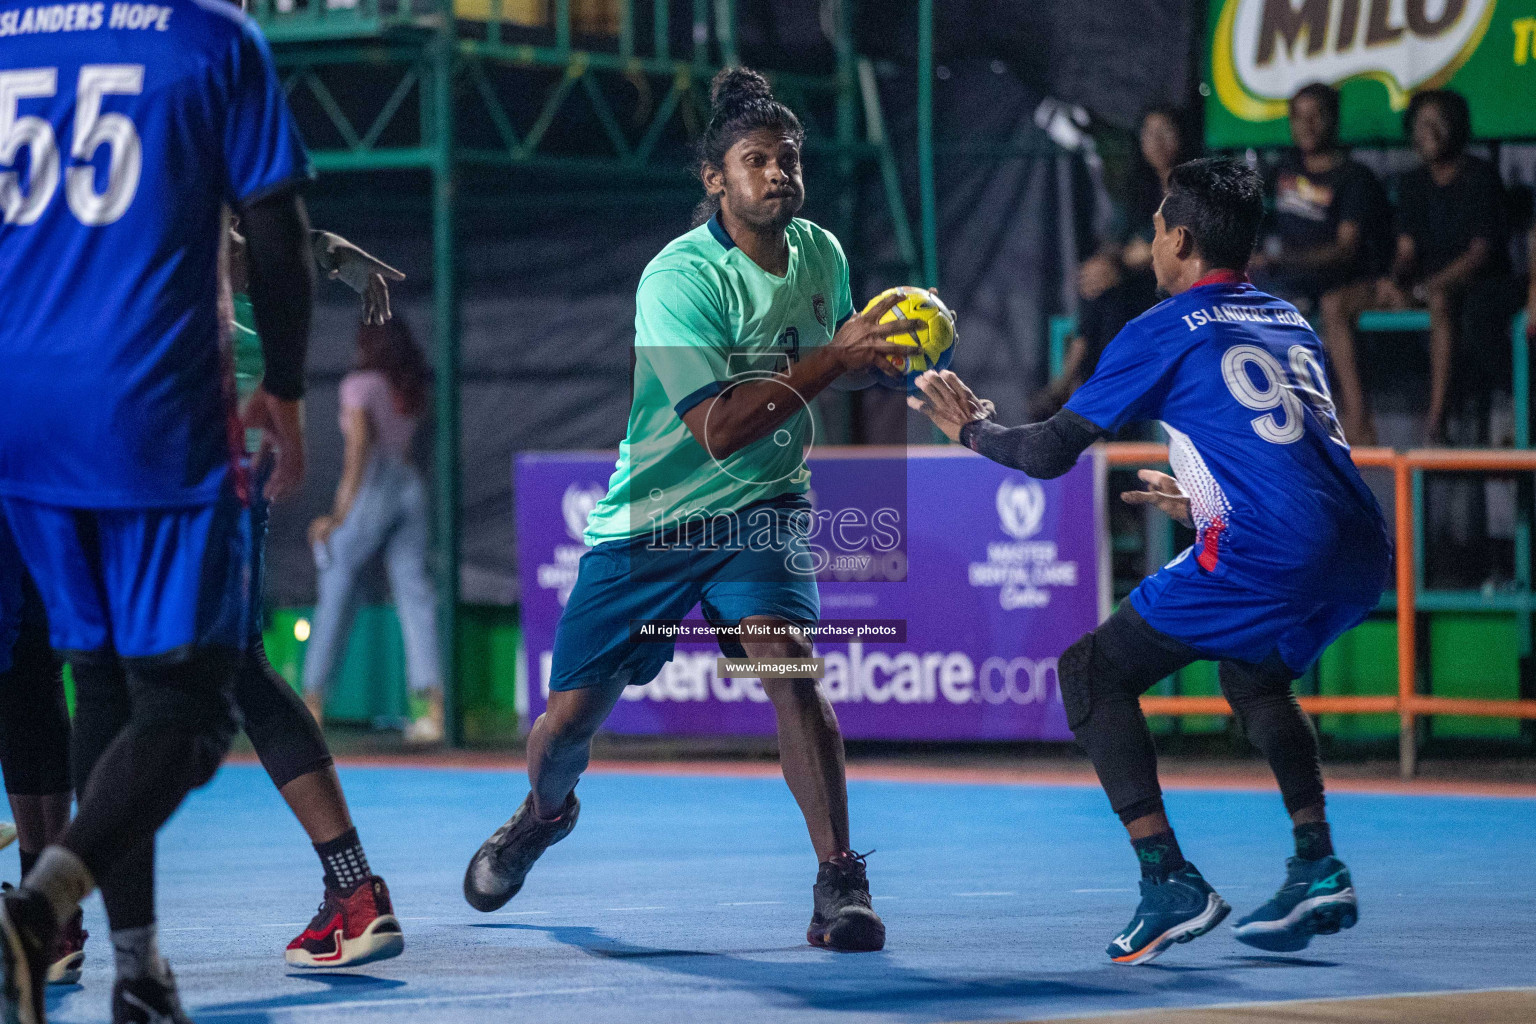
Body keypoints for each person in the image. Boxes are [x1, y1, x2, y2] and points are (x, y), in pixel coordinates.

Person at [462, 67, 912, 952]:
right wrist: (834, 360)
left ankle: (838, 882)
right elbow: (719, 428)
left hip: (763, 506)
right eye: (757, 160)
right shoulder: (676, 278)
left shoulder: (821, 253)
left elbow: (832, 355)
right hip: (656, 517)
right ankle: (544, 815)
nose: (779, 173)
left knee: (792, 671)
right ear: (716, 179)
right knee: (568, 723)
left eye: (790, 159)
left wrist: (889, 359)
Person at [909, 158, 1391, 965]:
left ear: (1183, 240)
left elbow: (1051, 454)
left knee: (1090, 674)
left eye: (1158, 229)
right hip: (1361, 541)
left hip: (1271, 545)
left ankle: (1168, 879)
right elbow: (1291, 448)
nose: (1152, 242)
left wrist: (974, 432)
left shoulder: (1161, 327)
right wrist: (1208, 498)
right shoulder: (1286, 317)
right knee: (1252, 673)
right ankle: (1316, 862)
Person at [0, 2, 313, 1021]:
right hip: (148, 409)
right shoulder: (209, 38)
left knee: (96, 681)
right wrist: (291, 389)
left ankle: (139, 970)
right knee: (187, 708)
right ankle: (41, 902)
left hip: (19, 408)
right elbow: (276, 226)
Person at [226, 226, 407, 967]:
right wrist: (331, 253)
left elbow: (245, 238)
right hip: (209, 465)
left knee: (94, 675)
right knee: (234, 670)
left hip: (149, 460)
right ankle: (354, 891)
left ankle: (52, 908)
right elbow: (256, 237)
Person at [302, 316, 443, 744]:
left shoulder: (359, 385)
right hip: (410, 485)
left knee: (335, 578)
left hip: (376, 485)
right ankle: (433, 713)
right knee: (414, 595)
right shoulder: (406, 388)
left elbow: (359, 451)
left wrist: (337, 516)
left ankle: (311, 705)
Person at [1250, 83, 1392, 446]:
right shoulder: (1282, 169)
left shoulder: (1355, 177)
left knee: (1329, 306)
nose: (1308, 125)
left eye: (1317, 116)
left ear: (1334, 120)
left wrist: (1281, 260)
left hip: (1350, 282)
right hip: (1291, 285)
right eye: (1299, 117)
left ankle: (1358, 420)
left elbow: (1346, 249)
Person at [1037, 108, 1195, 420]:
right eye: (1148, 134)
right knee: (1102, 291)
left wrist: (1121, 264)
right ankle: (1093, 399)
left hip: (1179, 288)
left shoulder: (1195, 190)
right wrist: (1106, 263)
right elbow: (1117, 241)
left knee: (1112, 293)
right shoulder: (1140, 191)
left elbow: (1174, 248)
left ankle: (1074, 388)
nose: (1156, 141)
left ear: (1182, 136)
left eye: (1166, 131)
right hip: (1139, 286)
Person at [1377, 90, 1511, 444]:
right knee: (1348, 302)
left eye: (1438, 122)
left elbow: (1480, 254)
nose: (1429, 131)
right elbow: (1406, 251)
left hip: (1482, 287)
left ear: (1457, 127)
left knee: (1440, 301)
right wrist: (1395, 282)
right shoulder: (1411, 183)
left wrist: (1427, 288)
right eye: (1421, 123)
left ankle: (1436, 423)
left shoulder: (1481, 176)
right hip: (1430, 287)